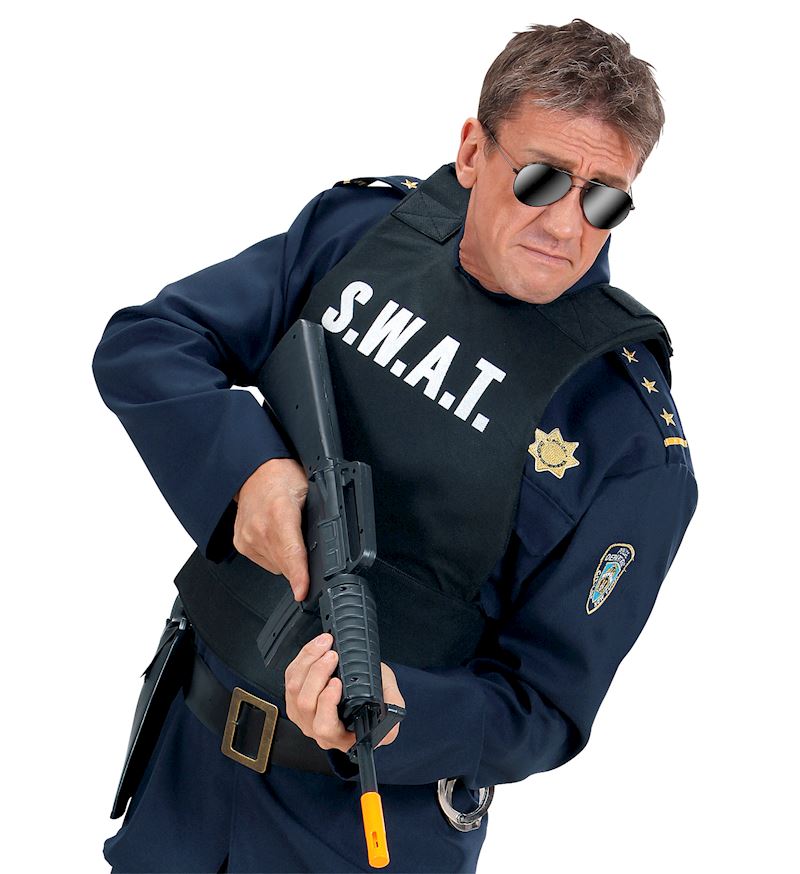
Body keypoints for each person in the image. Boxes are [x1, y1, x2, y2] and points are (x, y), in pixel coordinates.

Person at [92, 18, 698, 874]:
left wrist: (403, 712)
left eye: (604, 199)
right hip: (185, 769)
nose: (567, 226)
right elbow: (150, 343)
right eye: (542, 179)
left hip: (362, 829)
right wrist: (249, 472)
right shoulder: (364, 236)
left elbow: (547, 708)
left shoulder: (626, 437)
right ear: (473, 151)